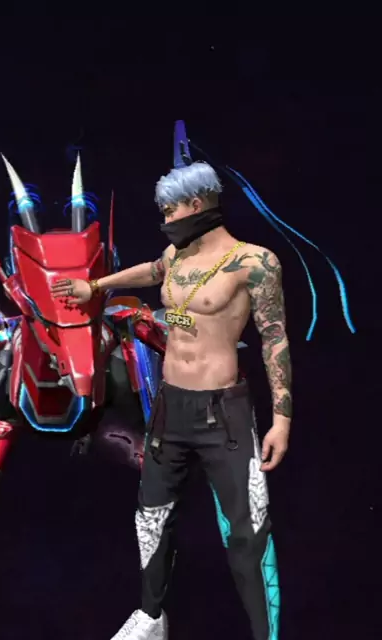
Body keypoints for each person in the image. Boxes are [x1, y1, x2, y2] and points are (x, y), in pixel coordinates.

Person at [51, 160, 290, 640]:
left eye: (169, 210)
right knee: (151, 516)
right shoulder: (177, 255)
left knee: (248, 531)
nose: (164, 219)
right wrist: (93, 287)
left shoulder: (255, 263)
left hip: (224, 412)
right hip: (170, 407)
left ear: (196, 205)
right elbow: (151, 270)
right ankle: (151, 617)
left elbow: (274, 338)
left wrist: (281, 419)